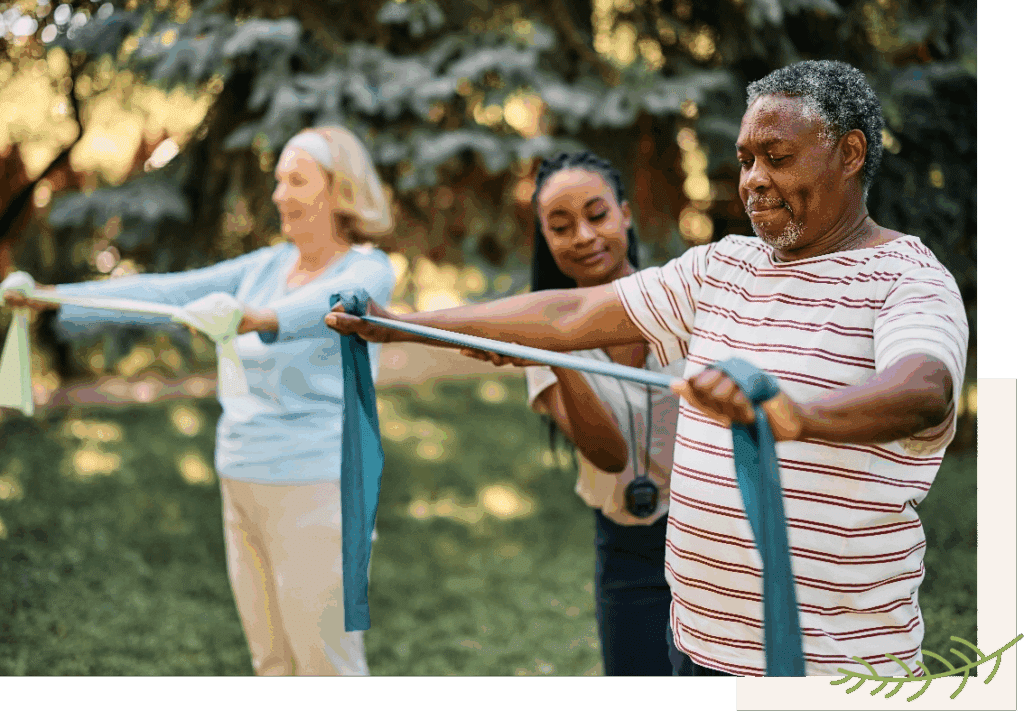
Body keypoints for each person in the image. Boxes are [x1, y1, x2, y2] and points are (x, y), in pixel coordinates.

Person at [325, 60, 968, 677]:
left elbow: (924, 388)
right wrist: (399, 321)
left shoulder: (908, 280)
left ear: (850, 154)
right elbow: (573, 313)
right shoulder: (725, 266)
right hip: (693, 644)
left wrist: (797, 415)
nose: (751, 179)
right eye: (745, 159)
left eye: (777, 157)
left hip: (831, 664)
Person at [4, 125, 397, 676]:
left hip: (318, 489)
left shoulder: (368, 268)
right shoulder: (264, 267)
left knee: (327, 666)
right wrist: (50, 298)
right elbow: (169, 292)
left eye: (297, 180)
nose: (280, 194)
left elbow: (336, 306)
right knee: (272, 663)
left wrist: (258, 317)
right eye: (279, 180)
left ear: (339, 191)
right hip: (241, 478)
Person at [462, 151, 682, 676]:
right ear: (545, 237)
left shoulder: (682, 299)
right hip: (626, 549)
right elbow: (608, 455)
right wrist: (557, 356)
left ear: (626, 215)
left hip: (713, 533)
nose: (582, 236)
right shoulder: (538, 336)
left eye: (597, 215)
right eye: (560, 226)